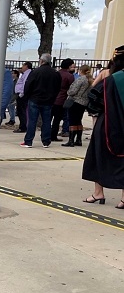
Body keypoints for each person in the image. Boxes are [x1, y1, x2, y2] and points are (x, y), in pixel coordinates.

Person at [82, 46, 124, 208]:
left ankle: (98, 193)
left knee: (98, 157)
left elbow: (93, 102)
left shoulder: (111, 80)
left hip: (108, 126)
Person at [20, 53, 61, 148]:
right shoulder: (55, 73)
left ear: (41, 61)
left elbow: (28, 85)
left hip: (35, 99)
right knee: (46, 121)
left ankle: (28, 141)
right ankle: (46, 141)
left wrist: (27, 96)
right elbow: (58, 87)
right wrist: (53, 97)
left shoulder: (36, 72)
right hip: (48, 100)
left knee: (32, 121)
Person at [62, 64, 92, 147]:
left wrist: (68, 92)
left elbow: (72, 91)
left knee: (72, 121)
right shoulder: (90, 80)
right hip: (84, 103)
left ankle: (71, 140)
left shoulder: (80, 80)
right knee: (78, 121)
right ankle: (78, 139)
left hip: (75, 101)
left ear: (81, 71)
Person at [51, 58, 75, 141]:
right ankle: (53, 135)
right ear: (69, 66)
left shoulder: (55, 73)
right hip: (61, 100)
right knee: (57, 119)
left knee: (48, 118)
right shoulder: (69, 76)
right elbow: (72, 88)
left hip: (51, 98)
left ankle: (45, 133)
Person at [14, 61, 33, 133]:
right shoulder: (24, 74)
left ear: (26, 66)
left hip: (22, 95)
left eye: (23, 65)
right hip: (21, 94)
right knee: (20, 111)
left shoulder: (27, 74)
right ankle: (22, 126)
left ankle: (23, 127)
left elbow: (25, 83)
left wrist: (21, 93)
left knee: (21, 111)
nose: (22, 67)